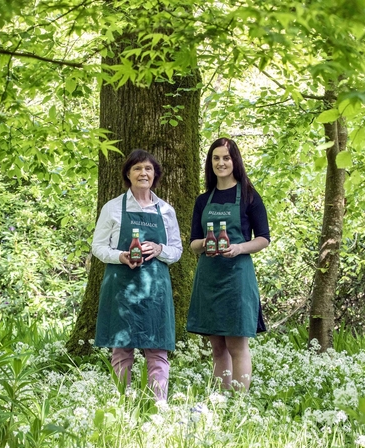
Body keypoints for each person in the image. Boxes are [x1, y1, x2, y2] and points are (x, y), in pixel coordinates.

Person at [92, 149, 183, 402]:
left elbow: (177, 251)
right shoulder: (112, 208)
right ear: (128, 174)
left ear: (155, 175)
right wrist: (121, 256)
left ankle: (158, 406)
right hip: (121, 287)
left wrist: (160, 248)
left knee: (158, 349)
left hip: (156, 289)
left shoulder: (166, 211)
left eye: (148, 169)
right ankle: (123, 404)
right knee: (121, 349)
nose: (143, 173)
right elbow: (98, 247)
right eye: (137, 168)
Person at [187, 137, 270, 391]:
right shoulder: (203, 200)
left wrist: (239, 248)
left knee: (237, 345)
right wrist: (206, 243)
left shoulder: (249, 196)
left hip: (237, 278)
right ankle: (221, 400)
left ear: (235, 161)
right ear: (210, 163)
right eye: (216, 158)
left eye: (226, 157)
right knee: (217, 346)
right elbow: (192, 243)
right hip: (209, 277)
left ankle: (239, 403)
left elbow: (264, 238)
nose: (221, 163)